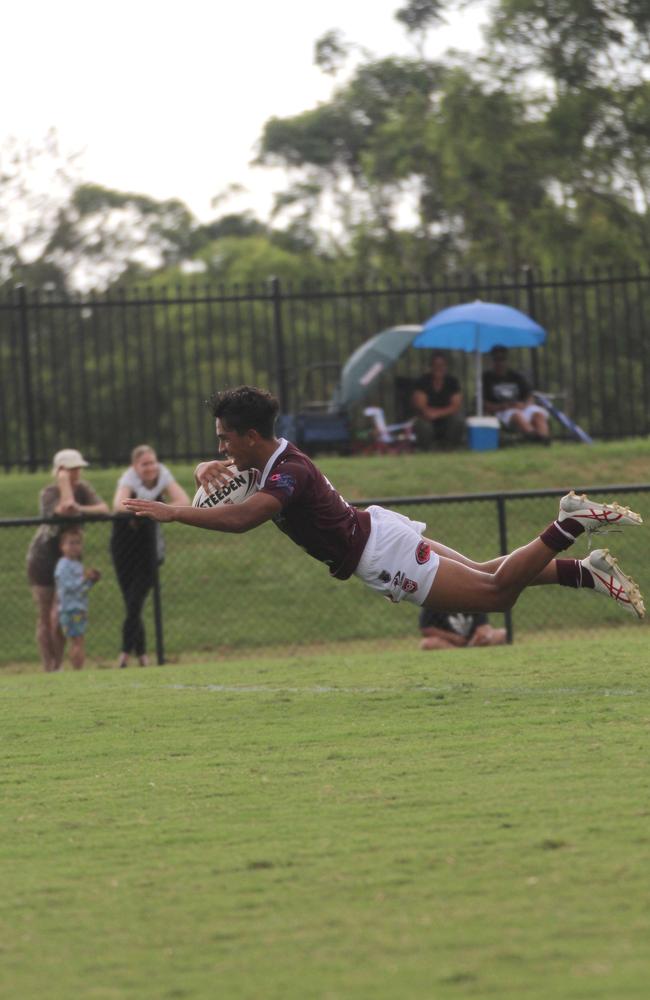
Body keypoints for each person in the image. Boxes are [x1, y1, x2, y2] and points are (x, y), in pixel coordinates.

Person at [122, 386, 645, 625]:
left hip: (379, 554)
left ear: (251, 435)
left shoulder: (288, 473)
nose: (220, 448)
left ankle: (569, 524)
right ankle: (586, 572)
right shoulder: (269, 458)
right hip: (376, 530)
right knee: (489, 572)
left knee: (494, 595)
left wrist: (172, 512)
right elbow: (221, 482)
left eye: (224, 439)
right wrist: (199, 472)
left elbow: (241, 519)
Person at [26, 448, 109, 672]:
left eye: (78, 468)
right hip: (43, 560)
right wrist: (63, 484)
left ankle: (59, 665)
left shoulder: (83, 490)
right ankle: (49, 666)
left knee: (61, 617)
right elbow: (65, 509)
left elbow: (102, 508)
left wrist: (80, 506)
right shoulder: (49, 493)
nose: (76, 473)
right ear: (60, 471)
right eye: (71, 469)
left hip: (70, 559)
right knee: (46, 616)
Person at [111, 444, 190, 668]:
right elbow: (118, 505)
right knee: (131, 603)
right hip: (124, 545)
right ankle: (143, 656)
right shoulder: (129, 479)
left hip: (148, 548)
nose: (150, 467)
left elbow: (184, 501)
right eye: (144, 464)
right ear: (135, 466)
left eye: (152, 462)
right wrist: (148, 509)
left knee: (136, 601)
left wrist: (160, 507)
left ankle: (125, 655)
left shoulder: (163, 475)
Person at [53, 527, 101, 670]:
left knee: (78, 640)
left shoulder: (77, 564)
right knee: (77, 641)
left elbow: (81, 589)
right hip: (70, 609)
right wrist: (83, 579)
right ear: (62, 546)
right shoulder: (63, 565)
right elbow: (67, 587)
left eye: (78, 543)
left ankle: (77, 668)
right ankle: (77, 669)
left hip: (79, 608)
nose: (75, 546)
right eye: (71, 543)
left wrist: (91, 581)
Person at [482, 345, 551, 443]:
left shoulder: (516, 377)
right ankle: (532, 437)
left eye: (502, 359)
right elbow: (484, 403)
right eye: (496, 359)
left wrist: (524, 405)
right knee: (517, 415)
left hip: (521, 407)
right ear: (492, 362)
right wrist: (502, 406)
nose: (500, 363)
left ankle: (544, 438)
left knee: (538, 414)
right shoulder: (487, 379)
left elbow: (529, 395)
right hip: (502, 411)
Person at [410, 351, 464, 450]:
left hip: (446, 419)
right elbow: (421, 406)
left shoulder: (452, 382)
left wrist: (437, 413)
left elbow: (456, 405)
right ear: (431, 366)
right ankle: (428, 450)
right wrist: (430, 413)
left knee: (458, 420)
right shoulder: (422, 381)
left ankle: (450, 448)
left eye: (442, 365)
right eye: (436, 365)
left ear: (446, 367)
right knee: (422, 424)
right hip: (427, 419)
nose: (439, 368)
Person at [419, 608, 506, 650]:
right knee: (427, 643)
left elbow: (483, 626)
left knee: (503, 634)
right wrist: (453, 638)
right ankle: (458, 654)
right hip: (447, 644)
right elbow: (426, 629)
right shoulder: (433, 600)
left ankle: (471, 652)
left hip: (475, 642)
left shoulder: (473, 597)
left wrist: (482, 634)